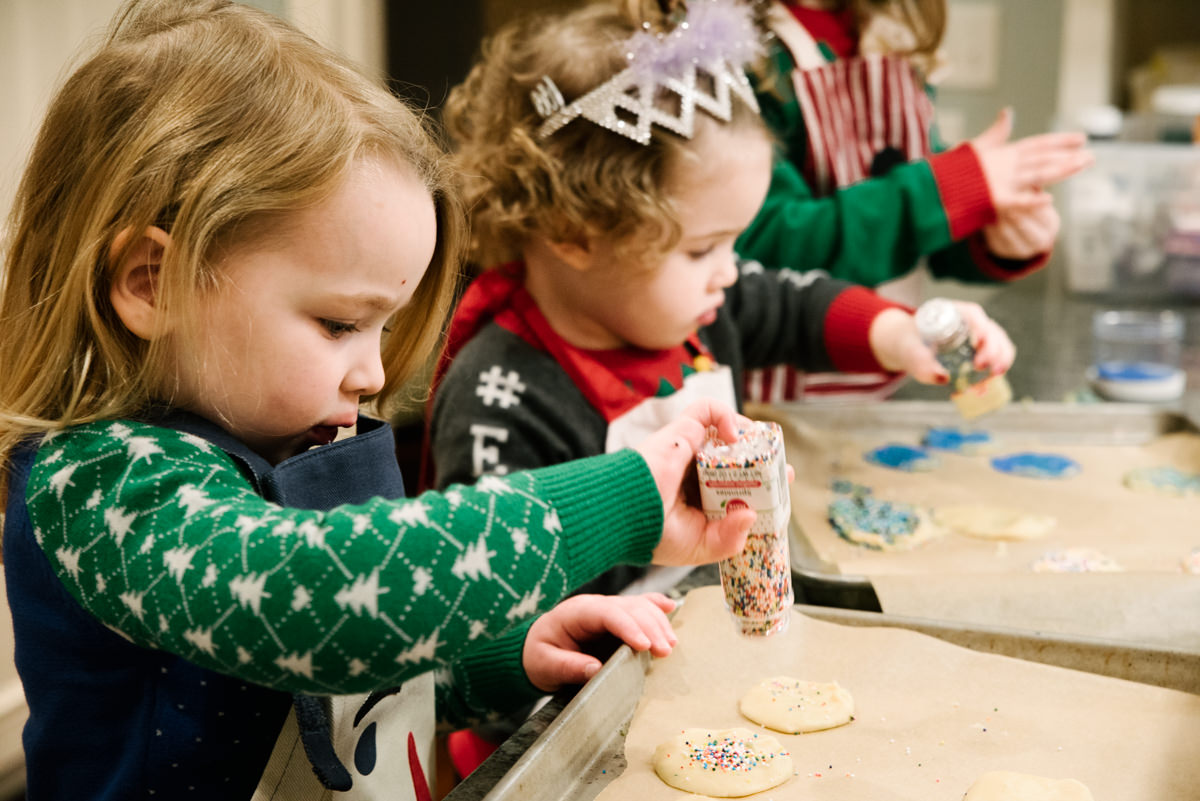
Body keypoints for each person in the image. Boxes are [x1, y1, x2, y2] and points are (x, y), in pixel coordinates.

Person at [0, 2, 760, 799]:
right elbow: (319, 596)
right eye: (338, 323)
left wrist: (502, 656)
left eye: (385, 326)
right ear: (154, 283)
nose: (372, 373)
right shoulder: (102, 487)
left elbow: (335, 687)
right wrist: (622, 498)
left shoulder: (286, 434)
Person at [427, 0, 1015, 578]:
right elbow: (487, 616)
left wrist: (901, 333)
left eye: (734, 243)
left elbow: (797, 309)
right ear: (574, 232)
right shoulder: (499, 400)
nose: (730, 272)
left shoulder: (703, 311)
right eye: (702, 249)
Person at [734, 0, 1092, 400]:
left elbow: (918, 222)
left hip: (892, 371)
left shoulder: (890, 32)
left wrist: (989, 237)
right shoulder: (735, 51)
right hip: (777, 392)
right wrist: (944, 192)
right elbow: (762, 250)